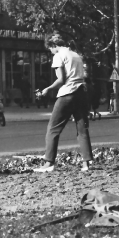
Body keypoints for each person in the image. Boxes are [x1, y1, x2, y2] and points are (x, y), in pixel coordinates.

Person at [34, 32, 93, 172]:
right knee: (82, 129)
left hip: (67, 94)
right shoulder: (76, 55)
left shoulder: (58, 56)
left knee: (53, 128)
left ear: (53, 45)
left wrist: (48, 89)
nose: (50, 51)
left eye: (50, 49)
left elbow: (61, 80)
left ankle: (49, 163)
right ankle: (86, 164)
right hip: (81, 93)